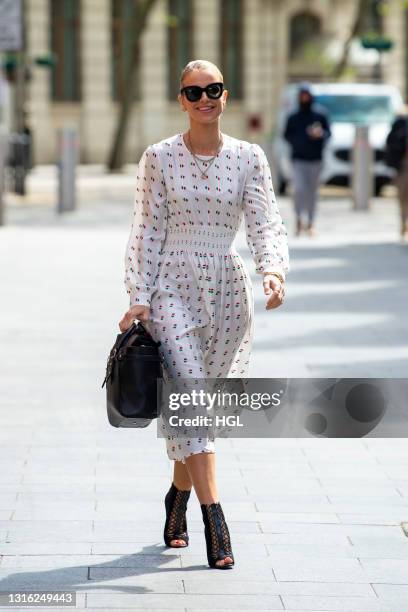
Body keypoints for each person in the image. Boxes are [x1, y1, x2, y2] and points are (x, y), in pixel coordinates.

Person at [119, 59, 289, 569]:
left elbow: (265, 219)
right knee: (191, 394)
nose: (205, 98)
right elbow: (146, 230)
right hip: (172, 285)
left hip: (228, 291)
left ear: (225, 94)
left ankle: (178, 498)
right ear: (181, 100)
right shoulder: (158, 158)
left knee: (199, 407)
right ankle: (216, 517)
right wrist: (139, 295)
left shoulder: (248, 157)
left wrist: (272, 270)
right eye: (194, 92)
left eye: (213, 89)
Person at [283, 84, 331, 237]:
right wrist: (299, 142)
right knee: (298, 190)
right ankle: (298, 219)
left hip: (315, 160)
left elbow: (328, 134)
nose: (304, 98)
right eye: (302, 95)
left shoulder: (320, 115)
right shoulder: (293, 117)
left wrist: (319, 135)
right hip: (298, 160)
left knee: (312, 192)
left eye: (307, 95)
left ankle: (310, 222)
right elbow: (286, 135)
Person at [385, 105, 408, 241]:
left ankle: (404, 222)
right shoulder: (399, 127)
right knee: (403, 196)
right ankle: (403, 223)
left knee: (403, 197)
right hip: (403, 166)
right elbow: (391, 146)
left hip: (401, 167)